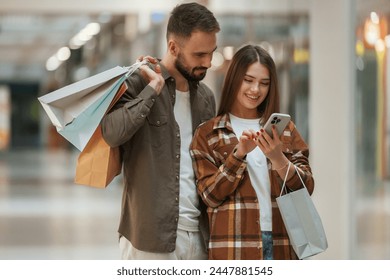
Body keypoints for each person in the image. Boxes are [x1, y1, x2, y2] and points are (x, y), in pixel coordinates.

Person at [100, 2, 219, 260]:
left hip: (199, 235)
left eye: (212, 53)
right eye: (199, 55)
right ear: (173, 47)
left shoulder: (207, 98)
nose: (208, 62)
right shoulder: (137, 82)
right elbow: (111, 133)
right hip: (149, 237)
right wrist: (150, 92)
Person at [189, 44, 314, 260]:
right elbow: (210, 196)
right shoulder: (208, 133)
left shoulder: (284, 130)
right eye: (248, 80)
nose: (255, 89)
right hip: (233, 246)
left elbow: (307, 187)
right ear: (234, 78)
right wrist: (238, 155)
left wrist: (278, 159)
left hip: (281, 242)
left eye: (264, 83)